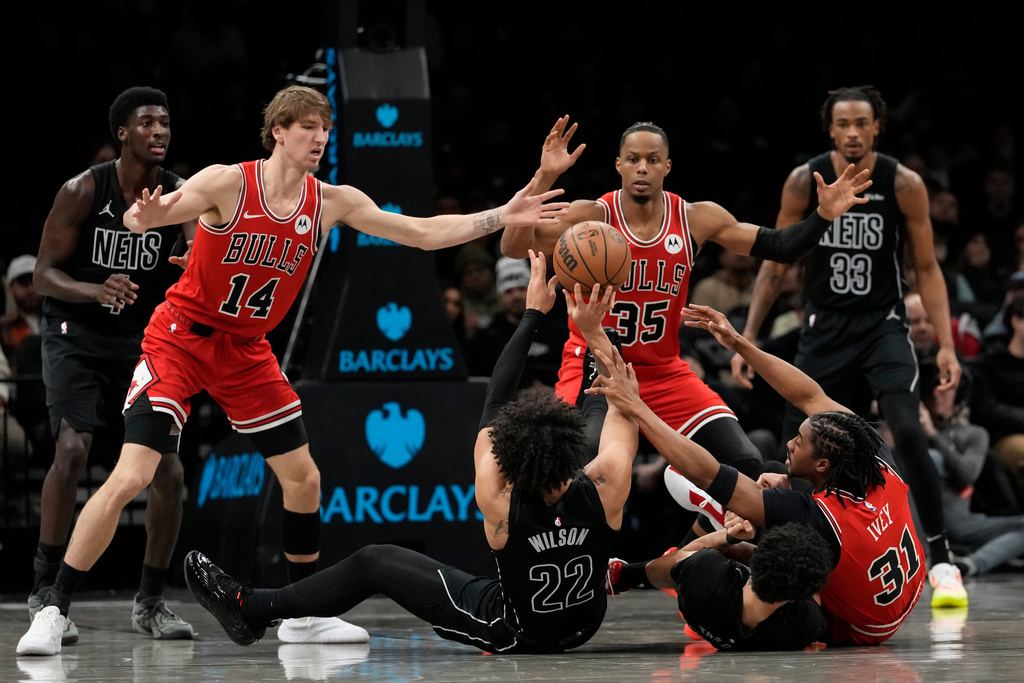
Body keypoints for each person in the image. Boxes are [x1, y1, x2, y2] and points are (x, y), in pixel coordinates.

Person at [17, 85, 570, 656]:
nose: (319, 137)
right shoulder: (228, 183)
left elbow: (421, 233)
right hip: (182, 338)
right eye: (308, 126)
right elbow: (149, 215)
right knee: (133, 474)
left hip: (246, 350)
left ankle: (303, 614)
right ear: (278, 132)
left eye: (325, 128)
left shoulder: (330, 201)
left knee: (304, 479)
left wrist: (504, 214)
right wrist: (142, 216)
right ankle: (53, 607)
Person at [183, 250, 639, 653]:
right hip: (584, 625)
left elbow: (495, 402)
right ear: (574, 453)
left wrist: (532, 314)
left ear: (510, 459)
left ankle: (252, 607)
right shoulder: (607, 484)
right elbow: (615, 403)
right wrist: (596, 329)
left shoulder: (500, 498)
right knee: (599, 412)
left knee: (374, 561)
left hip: (514, 630)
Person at [501, 116, 872, 481]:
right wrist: (545, 175)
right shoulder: (590, 217)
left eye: (652, 159)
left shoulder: (695, 218)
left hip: (664, 372)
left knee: (747, 462)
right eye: (633, 159)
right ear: (618, 165)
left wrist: (823, 215)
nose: (642, 167)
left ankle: (706, 523)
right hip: (594, 367)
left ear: (667, 166)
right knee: (578, 467)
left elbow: (780, 246)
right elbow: (514, 246)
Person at [732, 85, 967, 607]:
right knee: (795, 446)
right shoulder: (804, 179)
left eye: (862, 123)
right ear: (830, 129)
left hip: (882, 326)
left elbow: (926, 267)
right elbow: (775, 263)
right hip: (824, 327)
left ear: (878, 126)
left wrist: (946, 344)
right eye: (843, 124)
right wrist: (748, 335)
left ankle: (943, 561)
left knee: (908, 430)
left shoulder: (902, 183)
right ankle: (788, 564)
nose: (853, 133)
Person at [590, 303, 928, 645]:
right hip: (901, 594)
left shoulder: (820, 518)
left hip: (855, 628)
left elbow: (710, 474)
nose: (790, 443)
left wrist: (637, 408)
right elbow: (810, 396)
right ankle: (706, 531)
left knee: (729, 552)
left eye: (800, 441)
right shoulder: (872, 455)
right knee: (771, 476)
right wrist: (739, 343)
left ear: (823, 465)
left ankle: (702, 529)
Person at [23, 87, 197, 650]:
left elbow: (200, 256)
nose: (159, 130)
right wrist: (95, 290)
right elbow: (43, 275)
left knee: (169, 473)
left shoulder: (180, 194)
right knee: (73, 449)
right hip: (75, 332)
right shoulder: (82, 190)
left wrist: (196, 263)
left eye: (164, 122)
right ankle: (45, 592)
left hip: (144, 339)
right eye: (147, 122)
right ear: (123, 133)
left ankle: (151, 602)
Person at [608, 515, 832, 651]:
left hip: (698, 600)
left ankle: (622, 576)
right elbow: (812, 590)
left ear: (757, 563)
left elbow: (687, 553)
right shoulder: (804, 626)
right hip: (712, 625)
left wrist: (729, 537)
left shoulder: (708, 573)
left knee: (679, 557)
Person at [916, 353, 1024, 578]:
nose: (937, 399)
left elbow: (967, 475)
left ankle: (969, 564)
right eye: (932, 392)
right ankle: (925, 556)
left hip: (958, 520)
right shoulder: (907, 433)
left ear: (958, 395)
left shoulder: (973, 434)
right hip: (916, 520)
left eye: (944, 392)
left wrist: (933, 435)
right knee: (931, 459)